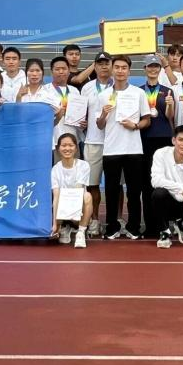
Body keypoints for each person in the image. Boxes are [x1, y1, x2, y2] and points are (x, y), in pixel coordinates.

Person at [97, 54, 151, 239]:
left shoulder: (138, 93)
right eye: (117, 67)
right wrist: (103, 114)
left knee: (134, 191)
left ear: (129, 71)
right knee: (111, 191)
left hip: (133, 149)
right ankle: (111, 227)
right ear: (112, 69)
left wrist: (134, 126)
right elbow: (99, 125)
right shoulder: (103, 95)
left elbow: (146, 119)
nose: (120, 71)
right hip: (111, 149)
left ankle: (133, 227)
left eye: (124, 68)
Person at [139, 54, 175, 238]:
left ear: (160, 69)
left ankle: (164, 225)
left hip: (164, 140)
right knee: (147, 184)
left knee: (164, 183)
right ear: (145, 69)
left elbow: (170, 116)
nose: (153, 69)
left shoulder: (168, 91)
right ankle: (149, 226)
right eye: (150, 66)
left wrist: (169, 105)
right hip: (144, 139)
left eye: (156, 66)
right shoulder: (138, 91)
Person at [151, 125, 183, 248]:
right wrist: (181, 188)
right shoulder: (161, 154)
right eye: (181, 139)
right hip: (167, 202)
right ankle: (165, 232)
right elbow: (156, 181)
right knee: (158, 194)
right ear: (174, 140)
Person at [82, 52, 113, 237]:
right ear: (94, 66)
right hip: (93, 141)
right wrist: (81, 121)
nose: (103, 66)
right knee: (92, 184)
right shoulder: (86, 87)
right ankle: (94, 220)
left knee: (115, 185)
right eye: (100, 63)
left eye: (106, 63)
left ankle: (117, 220)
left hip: (115, 142)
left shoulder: (119, 87)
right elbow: (81, 112)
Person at [50, 133, 92, 248]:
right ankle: (64, 227)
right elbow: (56, 196)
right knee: (57, 198)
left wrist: (74, 214)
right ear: (58, 148)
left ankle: (81, 231)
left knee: (87, 196)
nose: (67, 148)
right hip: (62, 210)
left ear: (76, 148)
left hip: (77, 210)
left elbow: (78, 191)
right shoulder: (55, 169)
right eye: (64, 145)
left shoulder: (84, 165)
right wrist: (55, 224)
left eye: (71, 145)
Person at [44, 56, 85, 156]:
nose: (61, 72)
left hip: (73, 140)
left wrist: (83, 124)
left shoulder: (75, 91)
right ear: (51, 72)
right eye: (57, 69)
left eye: (64, 69)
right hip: (54, 140)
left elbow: (79, 114)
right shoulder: (44, 91)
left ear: (69, 71)